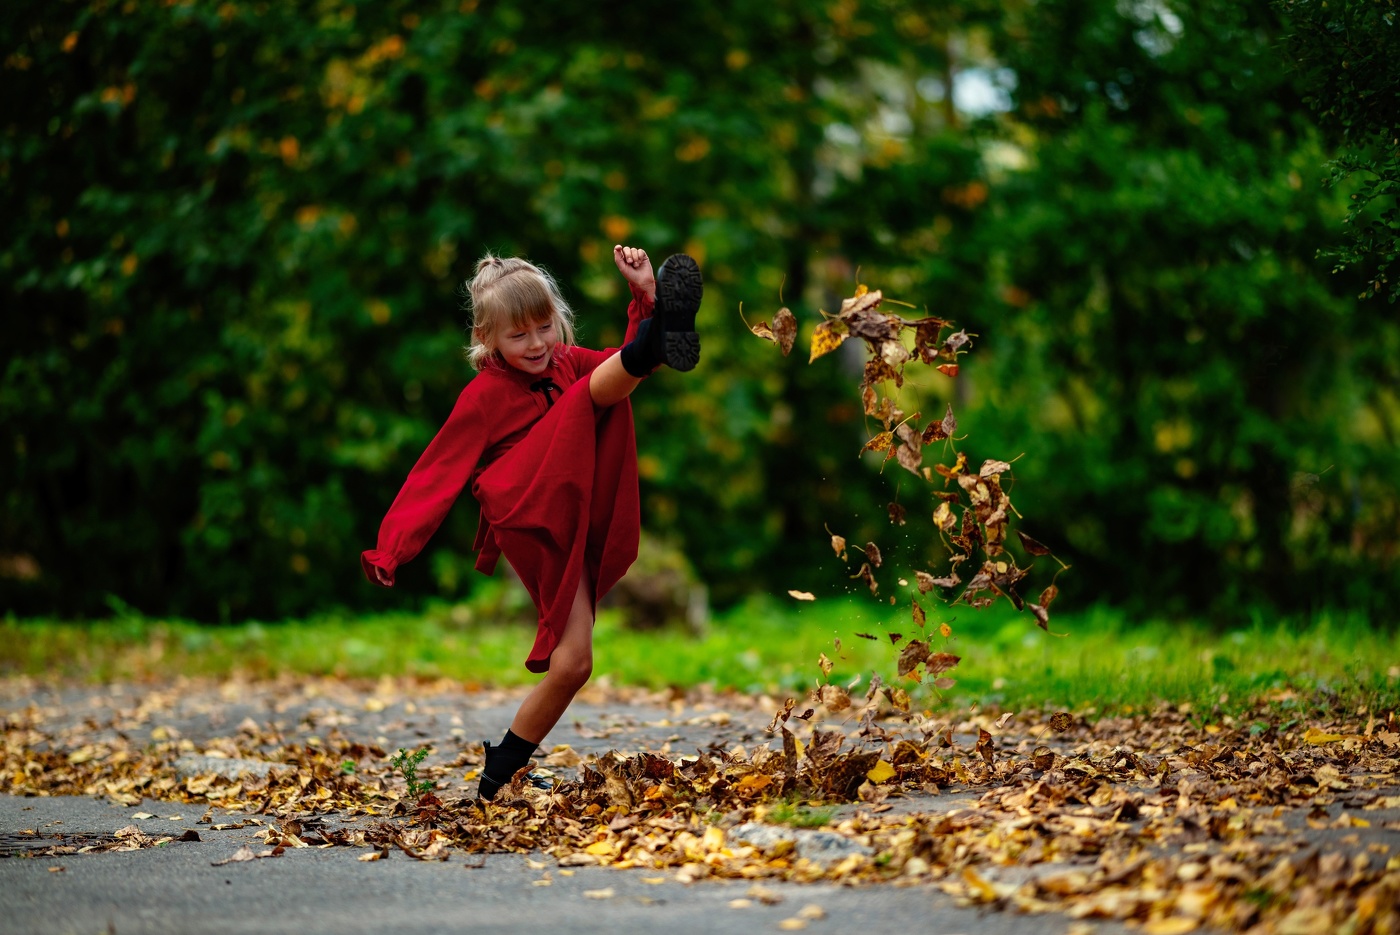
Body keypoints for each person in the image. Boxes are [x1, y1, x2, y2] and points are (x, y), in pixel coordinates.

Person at [361, 245, 702, 800]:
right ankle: (654, 334)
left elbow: (620, 373)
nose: (538, 344)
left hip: (571, 504)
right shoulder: (483, 396)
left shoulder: (565, 361)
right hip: (526, 507)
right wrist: (392, 548)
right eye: (519, 336)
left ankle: (501, 772)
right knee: (587, 398)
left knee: (574, 664)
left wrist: (644, 301)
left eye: (545, 327)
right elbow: (436, 471)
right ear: (487, 337)